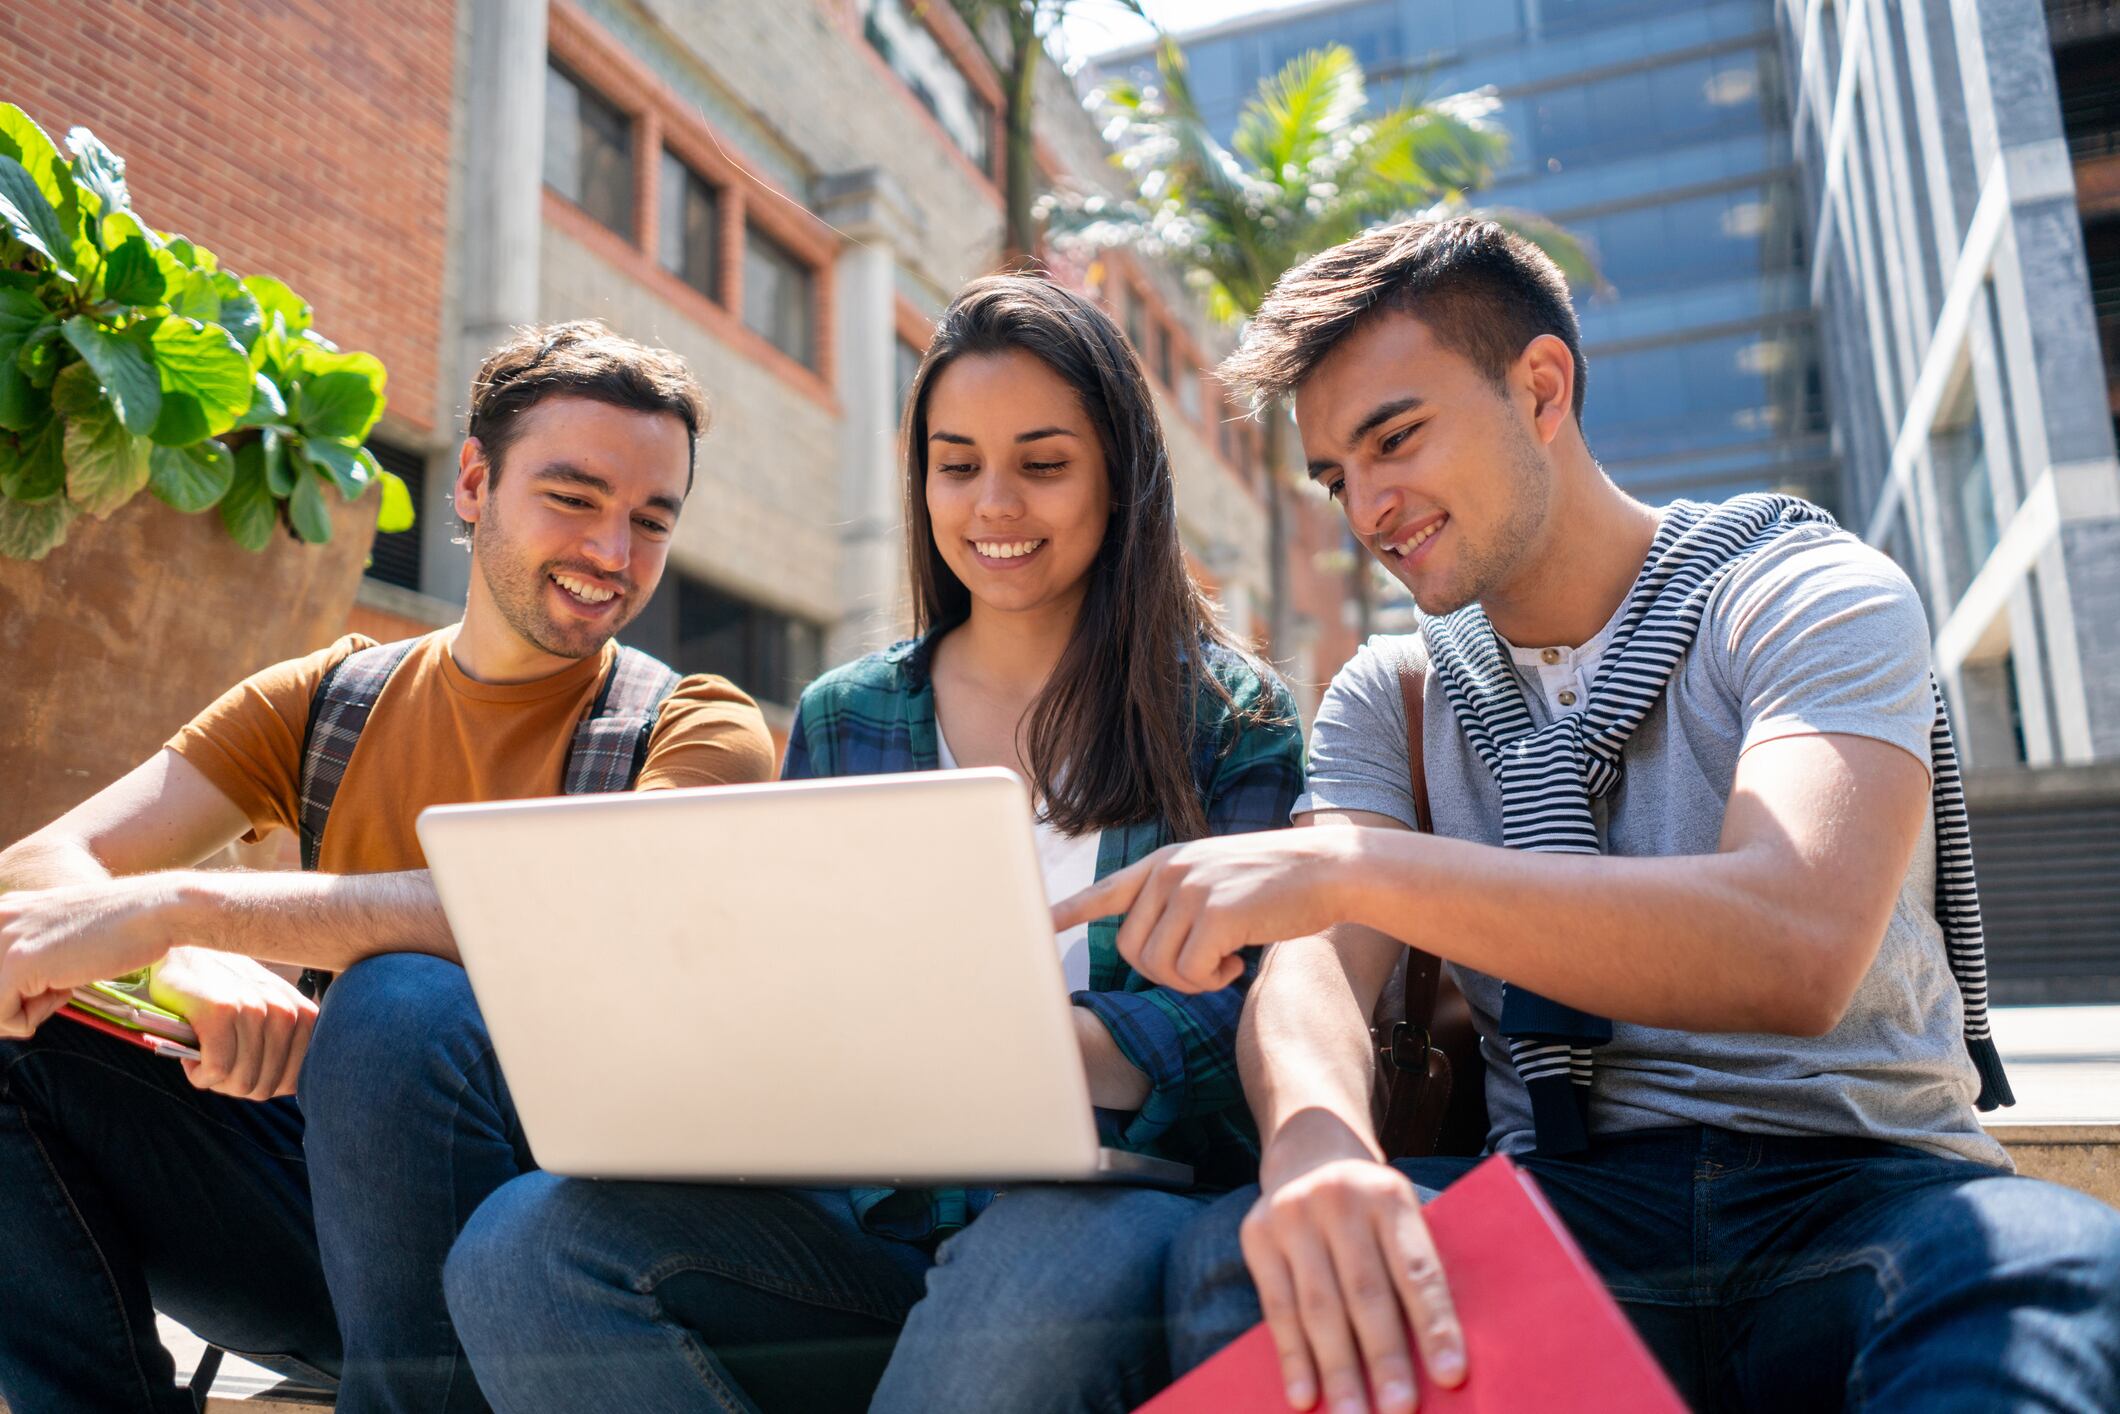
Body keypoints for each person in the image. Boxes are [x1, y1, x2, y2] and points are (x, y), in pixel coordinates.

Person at [1053, 217, 2120, 1413]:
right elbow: (1311, 972)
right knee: (1239, 1262)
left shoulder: (1806, 593)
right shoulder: (1392, 689)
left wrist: (1358, 868)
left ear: (1541, 386)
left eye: (1394, 437)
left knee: (2063, 1270)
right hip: (1567, 1197)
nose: (1368, 507)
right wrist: (1314, 1145)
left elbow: (1792, 941)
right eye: (1335, 476)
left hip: (1864, 1189)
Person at [438, 274, 1306, 1414]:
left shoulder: (1230, 717)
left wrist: (1021, 1047)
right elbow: (792, 983)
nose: (992, 503)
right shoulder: (849, 712)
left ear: (1118, 478)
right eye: (956, 464)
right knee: (523, 1243)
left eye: (1042, 465)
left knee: (1032, 1264)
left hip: (1114, 1212)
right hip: (876, 1225)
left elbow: (1250, 1008)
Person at [0, 320, 777, 1414]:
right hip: (316, 1228)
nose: (613, 551)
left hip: (551, 1256)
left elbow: (593, 908)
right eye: (573, 496)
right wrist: (177, 964)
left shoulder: (693, 728)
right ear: (472, 481)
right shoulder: (328, 700)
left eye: (652, 518)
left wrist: (187, 906)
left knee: (399, 1002)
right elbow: (37, 870)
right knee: (11, 1016)